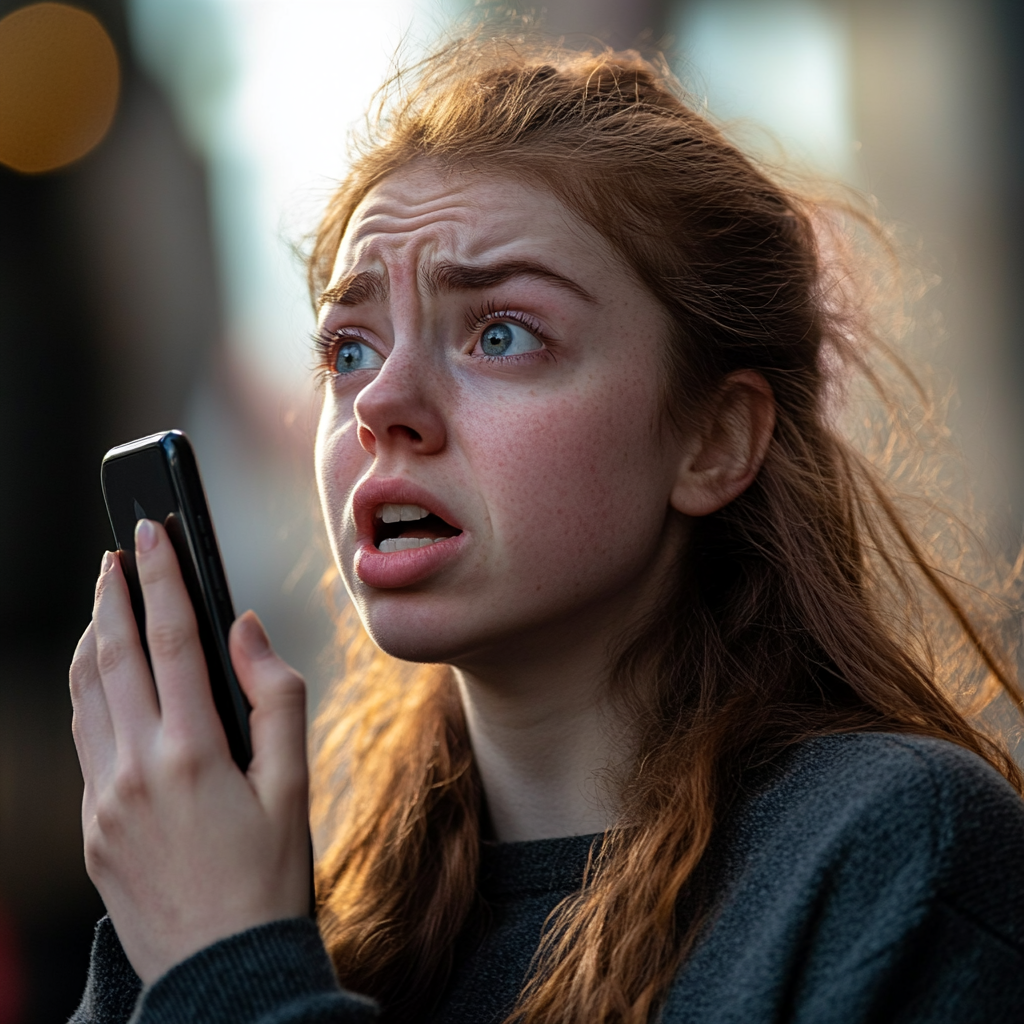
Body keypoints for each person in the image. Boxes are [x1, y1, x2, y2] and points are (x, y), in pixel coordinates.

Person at [69, 34, 1024, 1024]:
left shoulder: (899, 857)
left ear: (714, 439)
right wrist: (172, 943)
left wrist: (233, 968)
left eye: (501, 334)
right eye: (349, 347)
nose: (381, 402)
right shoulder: (330, 916)